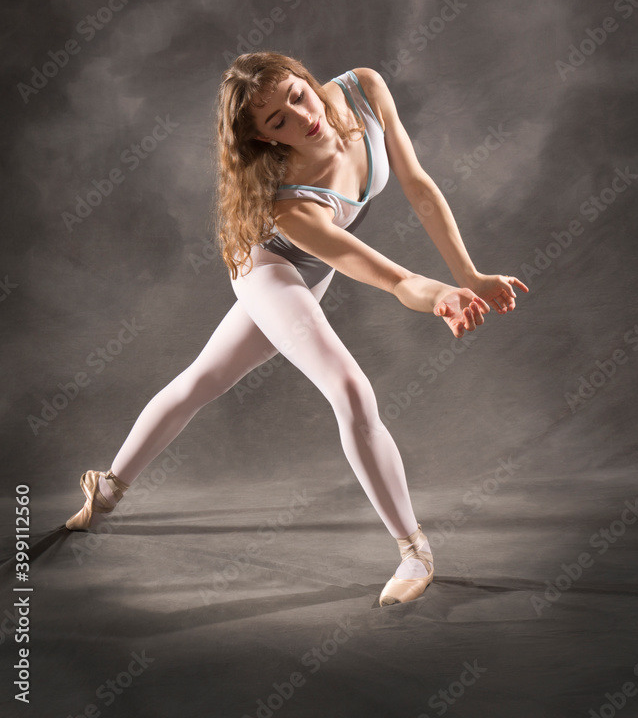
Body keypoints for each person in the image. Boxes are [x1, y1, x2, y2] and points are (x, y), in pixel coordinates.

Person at [65, 51, 528, 606]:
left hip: (313, 266)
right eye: (277, 120)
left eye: (296, 94)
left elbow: (420, 187)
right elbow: (395, 279)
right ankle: (414, 550)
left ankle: (108, 486)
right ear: (264, 139)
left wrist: (468, 276)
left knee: (203, 380)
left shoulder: (364, 89)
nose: (301, 115)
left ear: (305, 79)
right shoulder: (286, 201)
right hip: (268, 266)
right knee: (350, 389)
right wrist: (440, 300)